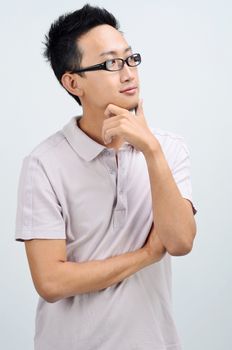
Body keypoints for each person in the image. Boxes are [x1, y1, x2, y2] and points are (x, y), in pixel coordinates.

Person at [15, 4, 197, 350]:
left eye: (130, 59)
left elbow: (180, 242)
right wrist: (145, 256)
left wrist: (151, 152)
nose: (129, 74)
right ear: (73, 82)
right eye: (111, 63)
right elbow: (51, 281)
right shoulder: (44, 163)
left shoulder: (169, 149)